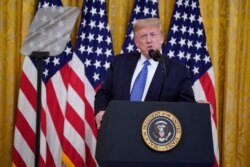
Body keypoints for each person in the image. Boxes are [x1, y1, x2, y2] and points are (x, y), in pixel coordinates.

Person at [94, 18, 195, 129]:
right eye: (143, 36)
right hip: (119, 129)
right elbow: (104, 93)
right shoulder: (120, 63)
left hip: (156, 135)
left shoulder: (178, 71)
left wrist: (198, 107)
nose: (149, 40)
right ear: (136, 42)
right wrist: (101, 110)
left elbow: (186, 107)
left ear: (161, 38)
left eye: (153, 35)